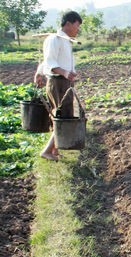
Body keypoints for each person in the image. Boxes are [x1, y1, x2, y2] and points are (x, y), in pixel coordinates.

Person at [35, 10, 82, 161]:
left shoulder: (65, 40)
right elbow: (49, 61)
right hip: (58, 83)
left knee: (62, 115)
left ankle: (54, 150)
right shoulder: (54, 39)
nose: (78, 29)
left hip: (64, 82)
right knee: (62, 117)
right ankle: (47, 151)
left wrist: (38, 73)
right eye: (77, 26)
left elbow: (47, 61)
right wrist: (65, 73)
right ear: (68, 23)